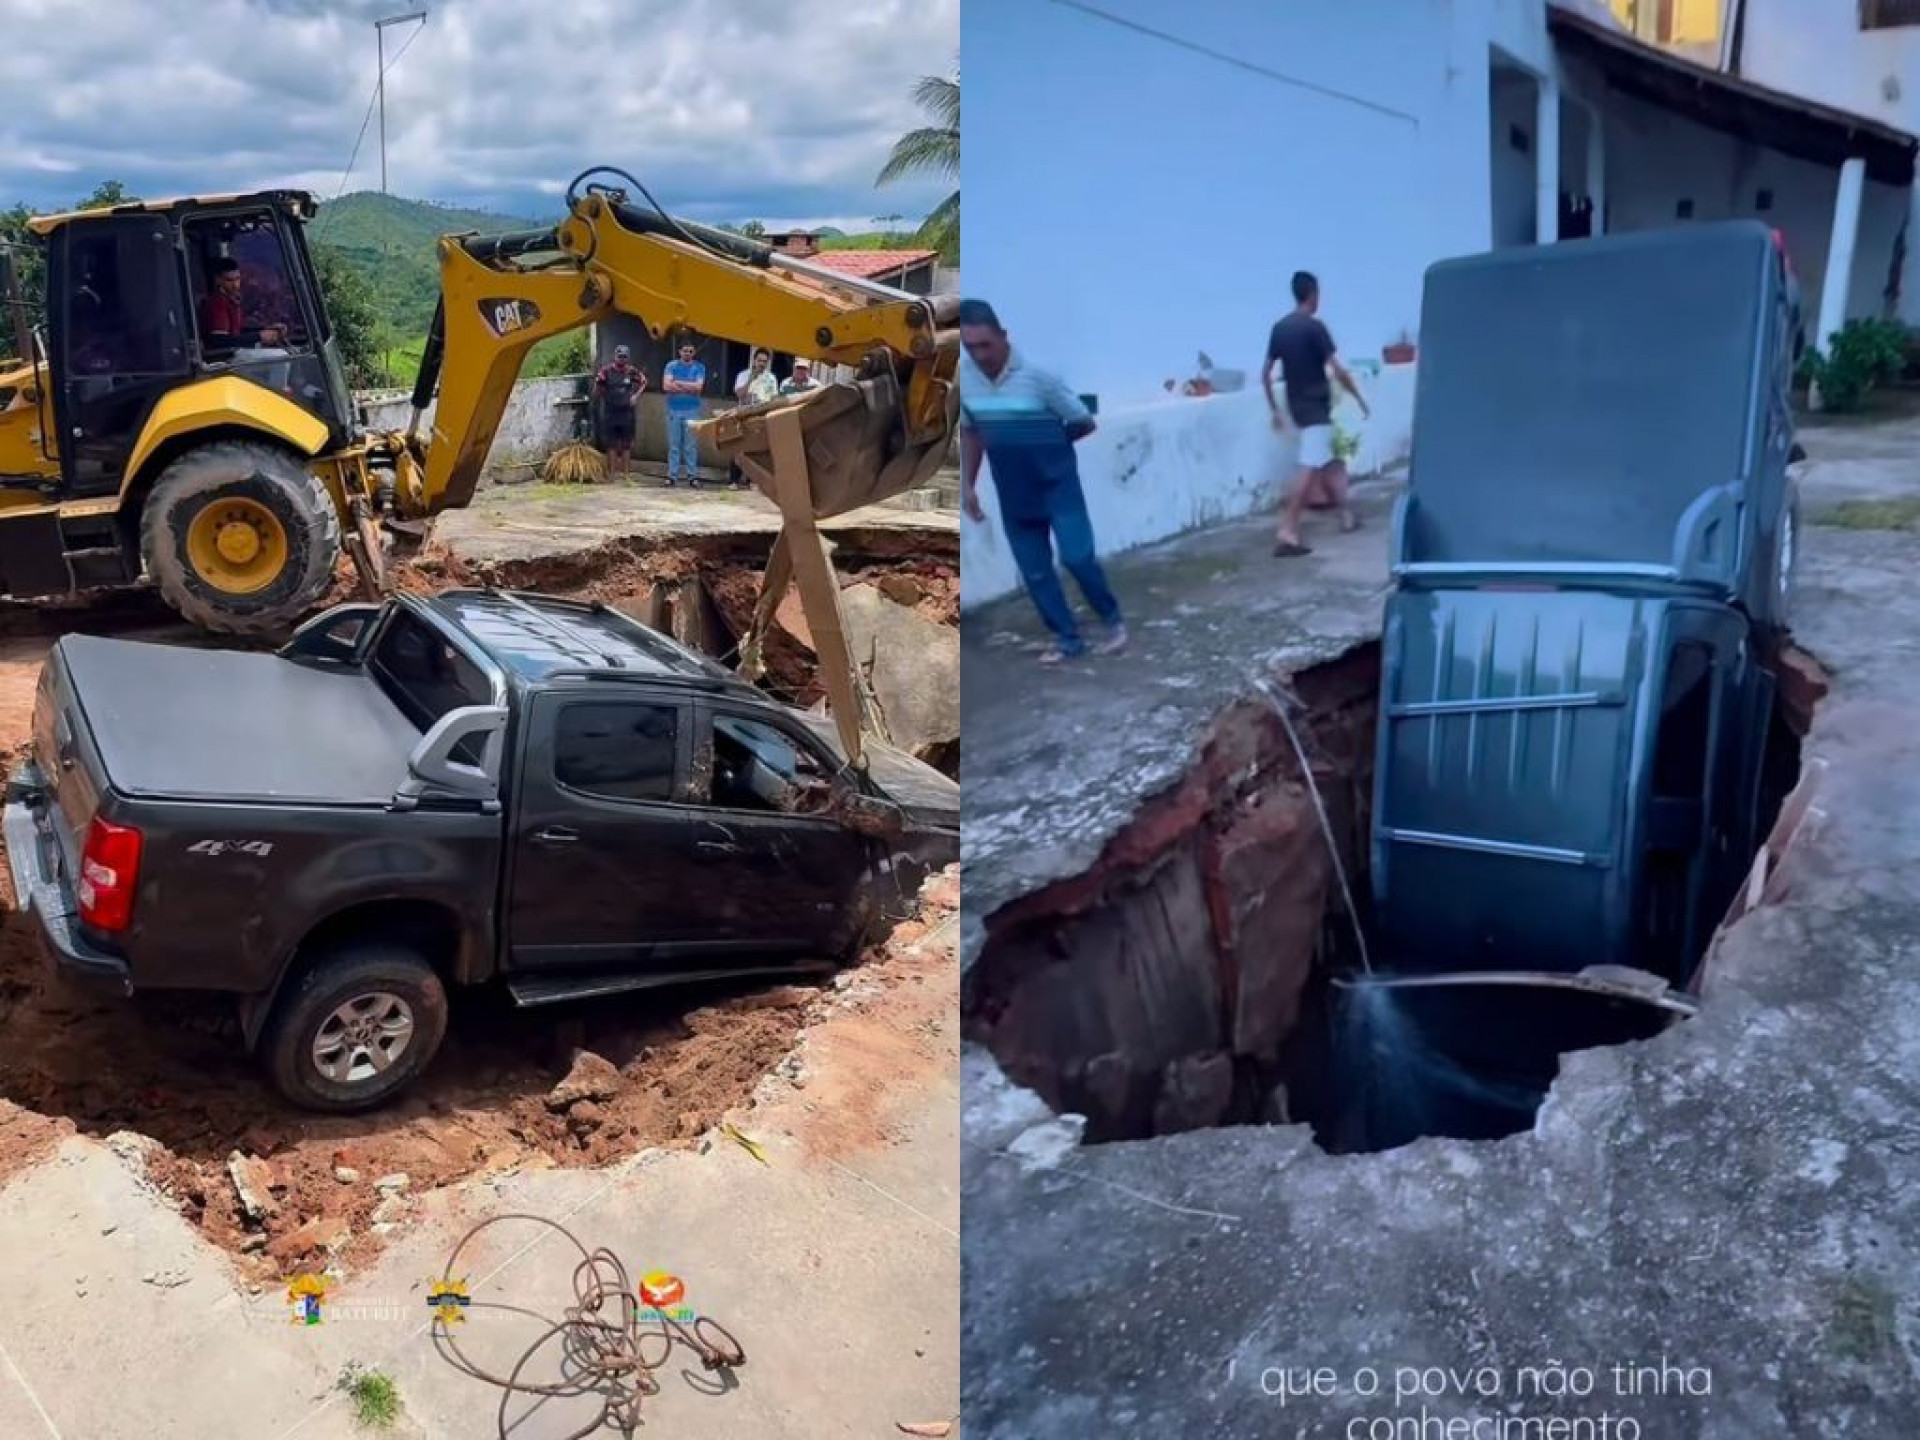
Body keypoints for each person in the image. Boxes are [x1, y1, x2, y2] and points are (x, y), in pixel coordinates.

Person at [958, 298, 1126, 664]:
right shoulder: (965, 382)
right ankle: (1067, 638)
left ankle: (1112, 620)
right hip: (1015, 493)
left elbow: (1083, 421)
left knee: (1078, 558)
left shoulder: (1039, 378)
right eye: (970, 347)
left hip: (1058, 487)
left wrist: (1049, 445)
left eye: (985, 344)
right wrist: (968, 486)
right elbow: (972, 434)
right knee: (1035, 571)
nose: (980, 355)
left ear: (1003, 336)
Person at [1263, 269, 1370, 558]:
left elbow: (1265, 375)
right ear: (1312, 294)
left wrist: (1275, 410)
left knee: (1330, 463)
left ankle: (1346, 516)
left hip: (1297, 407)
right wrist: (1359, 399)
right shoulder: (1314, 328)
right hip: (1315, 410)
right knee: (1310, 467)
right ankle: (1288, 529)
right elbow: (1337, 370)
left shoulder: (1280, 328)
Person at [200, 258, 286, 350]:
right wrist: (259, 336)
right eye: (229, 280)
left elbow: (238, 332)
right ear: (218, 280)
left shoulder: (233, 301)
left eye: (237, 279)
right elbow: (218, 341)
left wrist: (266, 330)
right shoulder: (217, 303)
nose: (235, 285)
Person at [592, 344, 648, 478]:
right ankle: (611, 473)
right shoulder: (606, 371)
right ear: (615, 356)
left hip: (627, 412)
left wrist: (636, 396)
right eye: (620, 356)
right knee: (611, 444)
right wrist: (599, 391)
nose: (622, 359)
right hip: (610, 411)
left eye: (625, 357)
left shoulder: (631, 371)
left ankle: (626, 475)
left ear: (628, 358)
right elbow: (597, 389)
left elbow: (644, 381)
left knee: (626, 444)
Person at [729, 349, 779, 489]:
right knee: (738, 447)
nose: (762, 364)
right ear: (754, 360)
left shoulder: (771, 378)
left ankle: (752, 481)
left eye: (764, 361)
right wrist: (751, 379)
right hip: (744, 415)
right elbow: (739, 394)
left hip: (761, 416)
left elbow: (773, 398)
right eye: (759, 360)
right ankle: (734, 480)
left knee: (756, 449)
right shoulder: (743, 375)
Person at [661, 340, 707, 487]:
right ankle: (672, 476)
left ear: (694, 352)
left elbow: (699, 387)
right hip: (673, 410)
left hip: (692, 411)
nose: (687, 353)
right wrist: (689, 386)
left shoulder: (699, 367)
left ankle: (692, 477)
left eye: (690, 351)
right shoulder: (671, 366)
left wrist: (678, 383)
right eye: (685, 350)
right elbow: (667, 386)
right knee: (674, 445)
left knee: (690, 446)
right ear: (679, 352)